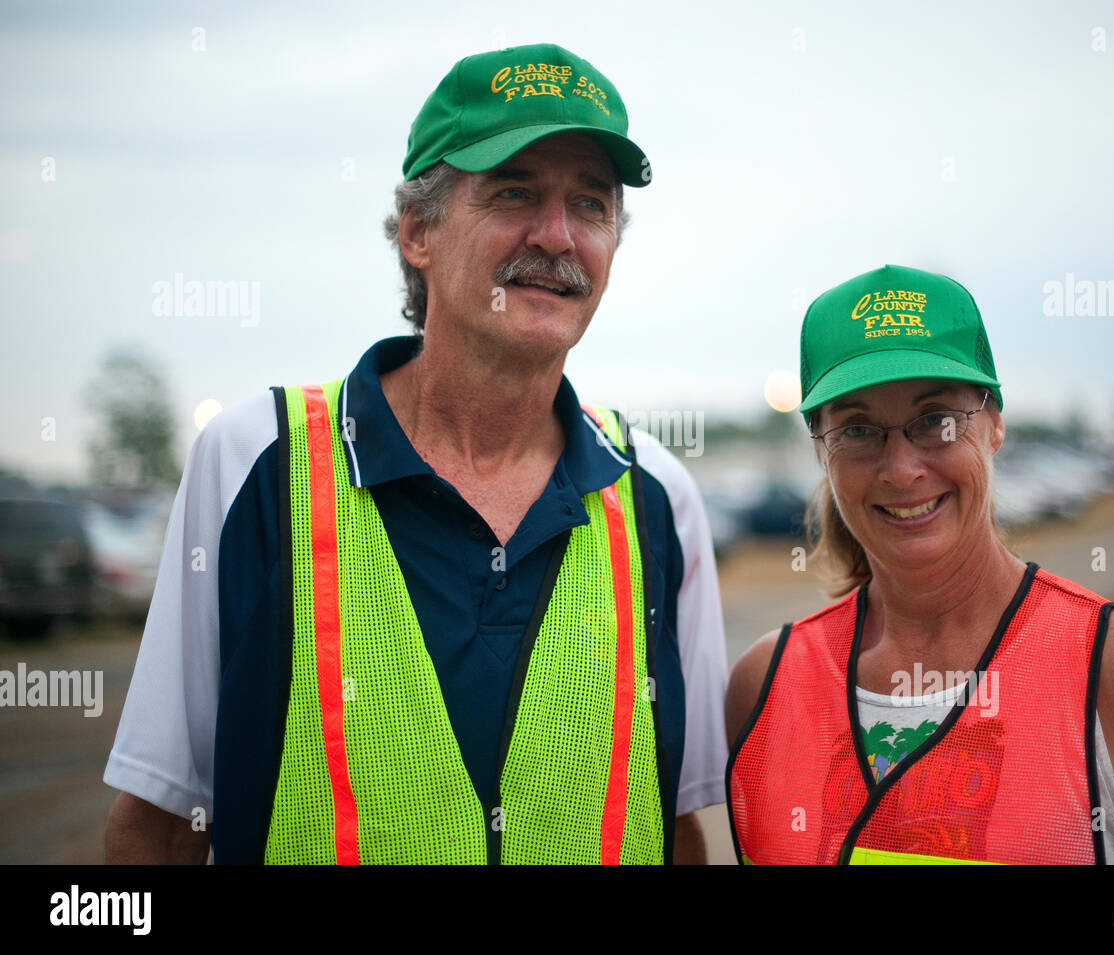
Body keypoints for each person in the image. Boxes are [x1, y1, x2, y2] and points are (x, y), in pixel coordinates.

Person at [103, 43, 728, 864]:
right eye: (514, 192)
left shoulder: (658, 497)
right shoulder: (255, 462)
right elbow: (155, 826)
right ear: (417, 232)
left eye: (591, 202)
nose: (558, 234)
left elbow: (674, 828)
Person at [726, 264, 1114, 864]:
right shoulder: (762, 691)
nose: (901, 469)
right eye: (859, 429)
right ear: (822, 449)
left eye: (936, 420)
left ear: (995, 423)